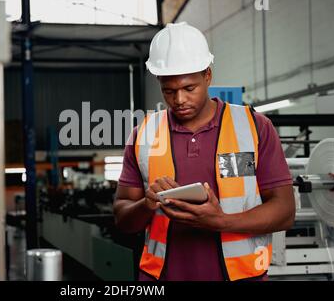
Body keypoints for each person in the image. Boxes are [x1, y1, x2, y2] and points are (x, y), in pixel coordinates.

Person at [113, 22, 295, 281]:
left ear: (207, 75)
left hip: (242, 277)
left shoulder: (253, 127)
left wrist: (221, 222)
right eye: (169, 90)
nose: (179, 100)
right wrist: (147, 204)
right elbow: (122, 217)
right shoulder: (143, 134)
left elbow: (285, 211)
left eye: (189, 88)